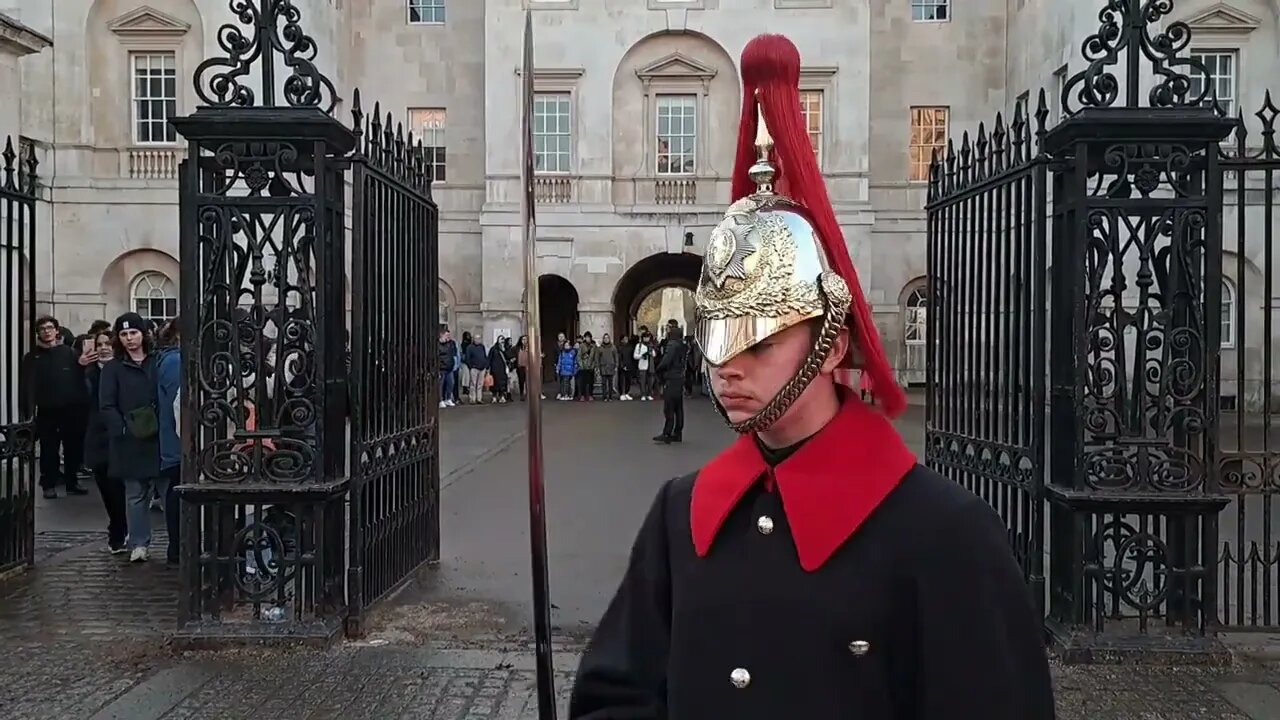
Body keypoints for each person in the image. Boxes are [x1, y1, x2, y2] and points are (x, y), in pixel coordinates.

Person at [568, 34, 1055, 719]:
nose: (728, 367)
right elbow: (613, 697)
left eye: (760, 340)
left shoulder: (946, 536)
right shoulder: (680, 514)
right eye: (719, 338)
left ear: (832, 344)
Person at [99, 312, 164, 563]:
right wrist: (122, 429)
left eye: (133, 333)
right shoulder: (113, 368)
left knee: (168, 491)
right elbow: (106, 404)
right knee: (136, 496)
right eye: (124, 334)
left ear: (143, 334)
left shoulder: (157, 362)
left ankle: (179, 544)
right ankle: (139, 543)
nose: (130, 339)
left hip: (158, 437)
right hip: (130, 440)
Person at [652, 325, 686, 444]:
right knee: (678, 407)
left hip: (671, 377)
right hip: (680, 377)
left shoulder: (672, 345)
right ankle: (678, 432)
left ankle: (667, 432)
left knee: (669, 407)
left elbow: (666, 361)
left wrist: (659, 369)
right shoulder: (683, 345)